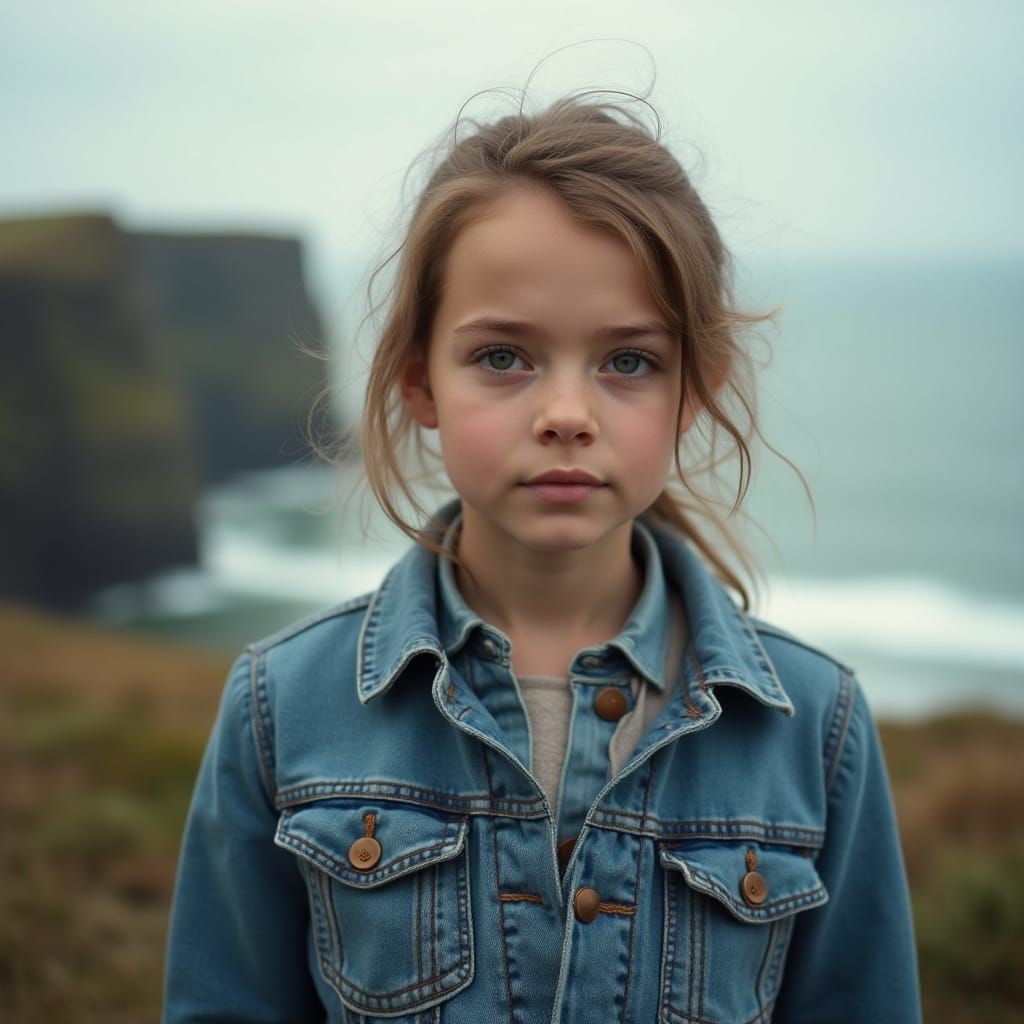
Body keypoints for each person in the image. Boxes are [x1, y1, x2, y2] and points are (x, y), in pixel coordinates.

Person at [163, 91, 922, 1023]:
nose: (567, 411)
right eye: (503, 357)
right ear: (416, 380)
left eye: (629, 362)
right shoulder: (281, 709)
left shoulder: (818, 729)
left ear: (696, 390)